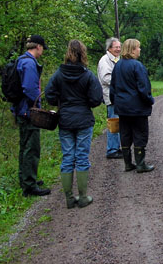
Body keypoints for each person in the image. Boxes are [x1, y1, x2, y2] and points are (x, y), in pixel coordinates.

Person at [45, 40, 103, 208]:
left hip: (65, 120)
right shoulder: (87, 75)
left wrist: (61, 102)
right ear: (83, 53)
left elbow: (49, 94)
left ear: (68, 53)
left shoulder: (59, 74)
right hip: (84, 119)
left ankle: (69, 198)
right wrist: (85, 103)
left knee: (68, 157)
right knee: (82, 157)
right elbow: (96, 99)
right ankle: (83, 196)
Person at [13, 35, 51, 197]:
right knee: (31, 148)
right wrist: (36, 107)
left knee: (25, 146)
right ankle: (29, 185)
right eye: (42, 48)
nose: (42, 51)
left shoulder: (21, 60)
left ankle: (26, 178)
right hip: (28, 111)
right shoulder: (29, 63)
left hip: (21, 109)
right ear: (38, 47)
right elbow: (29, 88)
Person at [110, 39, 155, 173]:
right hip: (137, 108)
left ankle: (128, 163)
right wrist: (149, 100)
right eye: (138, 48)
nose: (140, 50)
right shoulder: (137, 66)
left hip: (122, 107)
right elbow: (143, 88)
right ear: (132, 49)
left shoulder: (117, 66)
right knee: (140, 134)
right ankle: (140, 164)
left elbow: (112, 88)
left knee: (125, 134)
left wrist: (115, 102)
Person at [97, 38, 123, 159]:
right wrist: (122, 81)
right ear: (109, 48)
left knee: (118, 122)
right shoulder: (105, 60)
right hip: (111, 97)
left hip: (117, 96)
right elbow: (106, 78)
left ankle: (116, 147)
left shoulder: (116, 60)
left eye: (119, 47)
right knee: (113, 123)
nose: (118, 49)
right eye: (116, 47)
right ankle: (112, 149)